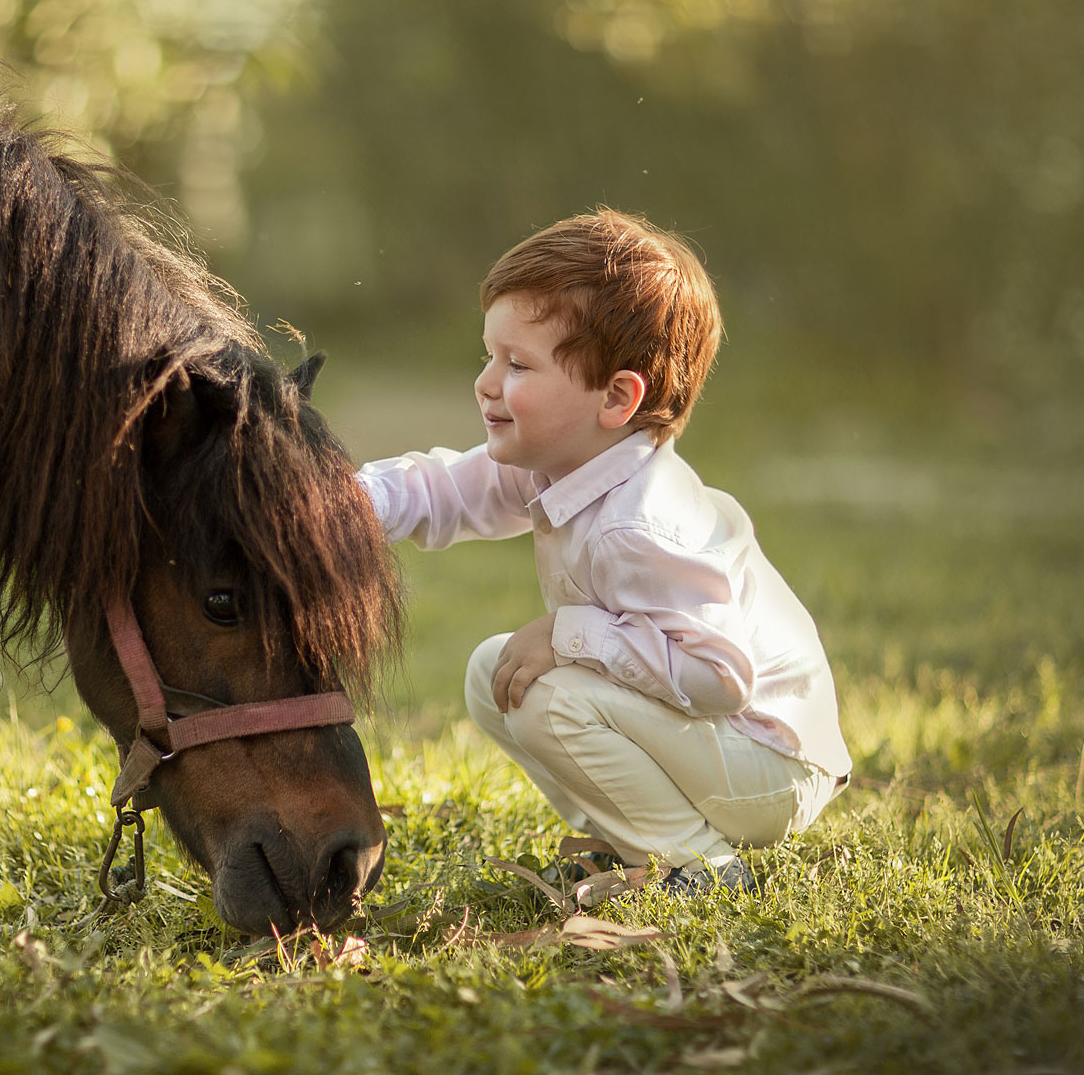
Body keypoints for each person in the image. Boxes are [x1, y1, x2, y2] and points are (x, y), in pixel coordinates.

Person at [355, 210, 852, 895]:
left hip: (768, 764)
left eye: (517, 363)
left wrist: (569, 635)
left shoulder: (639, 525)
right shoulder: (558, 460)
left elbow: (718, 678)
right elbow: (444, 489)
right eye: (488, 355)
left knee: (547, 697)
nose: (486, 382)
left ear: (617, 397)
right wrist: (341, 503)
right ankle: (625, 843)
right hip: (717, 748)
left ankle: (698, 863)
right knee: (494, 674)